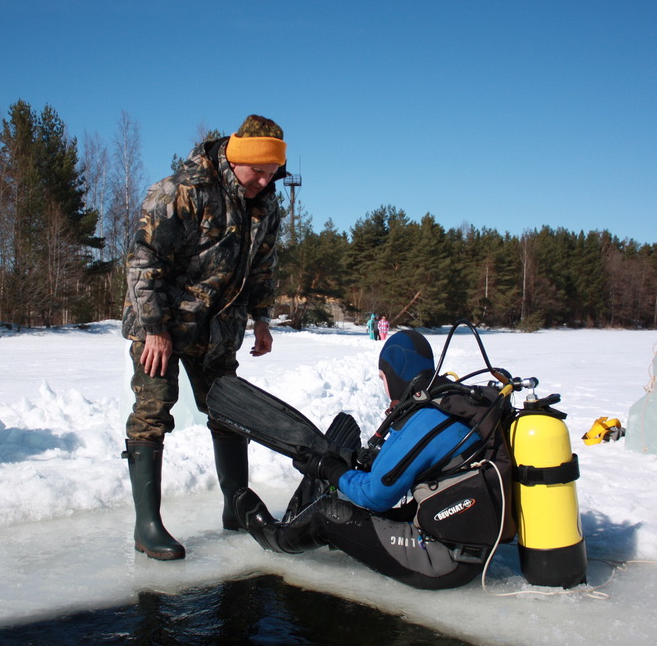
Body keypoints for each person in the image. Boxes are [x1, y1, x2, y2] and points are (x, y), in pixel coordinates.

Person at [121, 115, 286, 561]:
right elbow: (143, 262)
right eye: (259, 171)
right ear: (237, 160)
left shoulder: (265, 205)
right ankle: (147, 526)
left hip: (218, 329)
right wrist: (155, 329)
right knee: (153, 411)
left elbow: (263, 266)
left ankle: (236, 506)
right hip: (163, 325)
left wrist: (262, 318)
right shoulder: (181, 191)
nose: (266, 180)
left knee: (230, 412)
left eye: (273, 172)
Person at [233, 330, 506, 590]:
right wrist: (347, 458)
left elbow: (376, 495)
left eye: (382, 376)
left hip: (444, 561)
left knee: (328, 513)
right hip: (467, 541)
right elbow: (403, 468)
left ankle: (275, 538)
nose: (384, 385)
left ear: (395, 374)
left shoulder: (424, 422)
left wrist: (328, 469)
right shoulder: (448, 404)